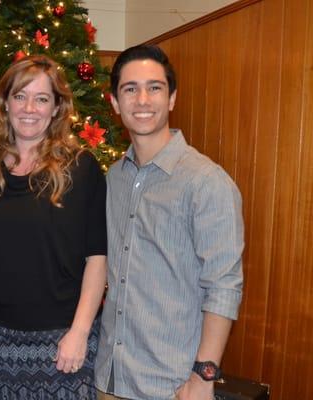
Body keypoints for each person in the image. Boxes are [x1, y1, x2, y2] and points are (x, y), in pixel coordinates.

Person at [95, 44, 244, 400]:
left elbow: (224, 287)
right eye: (130, 89)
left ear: (172, 98)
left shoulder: (207, 182)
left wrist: (203, 377)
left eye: (155, 87)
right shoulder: (112, 178)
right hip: (109, 378)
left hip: (171, 387)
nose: (142, 99)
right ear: (115, 103)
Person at [0, 55, 107, 400]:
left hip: (61, 340)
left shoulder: (81, 168)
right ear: (5, 104)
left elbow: (97, 258)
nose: (29, 108)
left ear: (57, 108)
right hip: (0, 337)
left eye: (41, 98)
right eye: (20, 96)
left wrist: (79, 331)